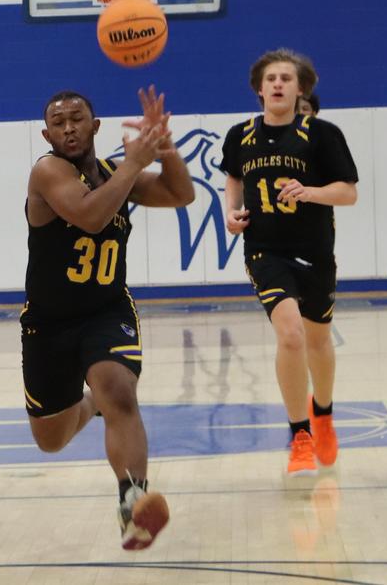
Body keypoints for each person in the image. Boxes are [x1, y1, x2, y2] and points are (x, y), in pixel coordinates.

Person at [22, 87, 191, 550]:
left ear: (95, 127)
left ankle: (132, 501)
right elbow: (91, 217)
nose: (69, 127)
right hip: (49, 324)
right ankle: (89, 404)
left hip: (106, 309)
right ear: (47, 134)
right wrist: (136, 162)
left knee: (119, 390)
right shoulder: (47, 171)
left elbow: (181, 193)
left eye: (78, 118)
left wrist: (165, 144)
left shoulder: (118, 173)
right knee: (51, 439)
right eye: (59, 122)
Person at [222, 49, 360, 477]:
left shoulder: (322, 134)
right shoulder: (239, 135)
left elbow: (348, 192)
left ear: (301, 88)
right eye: (271, 78)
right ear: (259, 89)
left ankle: (323, 412)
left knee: (318, 342)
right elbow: (234, 176)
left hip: (315, 252)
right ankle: (299, 434)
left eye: (286, 78)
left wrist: (311, 192)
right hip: (265, 252)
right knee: (291, 335)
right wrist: (232, 211)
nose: (278, 84)